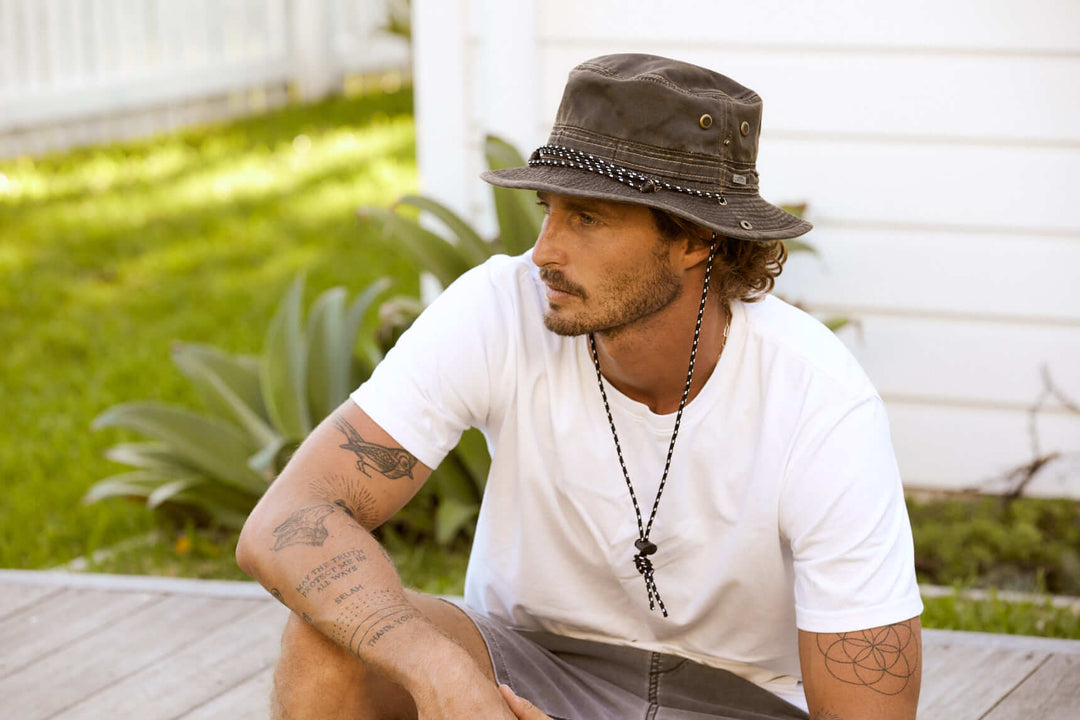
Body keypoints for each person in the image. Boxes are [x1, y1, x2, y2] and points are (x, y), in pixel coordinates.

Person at [236, 53, 924, 720]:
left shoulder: (817, 397)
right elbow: (285, 520)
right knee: (328, 646)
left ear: (692, 240)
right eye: (548, 208)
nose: (544, 251)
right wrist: (443, 674)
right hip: (530, 668)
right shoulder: (500, 309)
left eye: (587, 219)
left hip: (739, 698)